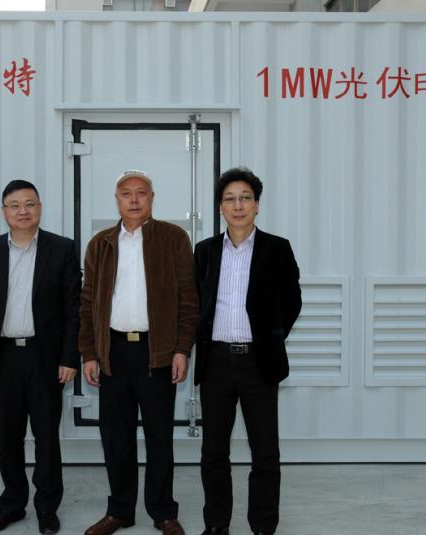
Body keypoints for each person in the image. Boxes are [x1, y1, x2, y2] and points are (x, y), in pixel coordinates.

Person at [79, 169, 198, 535]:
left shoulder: (174, 239)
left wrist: (182, 348)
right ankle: (120, 511)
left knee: (160, 436)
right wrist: (89, 353)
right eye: (126, 193)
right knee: (116, 437)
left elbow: (188, 299)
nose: (134, 199)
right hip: (113, 351)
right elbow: (87, 303)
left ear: (152, 198)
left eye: (141, 193)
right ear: (116, 199)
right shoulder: (100, 244)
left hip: (156, 352)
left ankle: (163, 512)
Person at [0, 180, 81, 534]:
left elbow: (73, 309)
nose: (23, 211)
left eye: (29, 204)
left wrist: (70, 357)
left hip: (45, 357)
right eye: (14, 205)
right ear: (4, 212)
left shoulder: (61, 249)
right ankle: (12, 505)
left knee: (46, 437)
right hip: (2, 358)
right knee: (9, 437)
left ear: (40, 208)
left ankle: (47, 508)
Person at [193, 167, 302, 535]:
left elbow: (292, 301)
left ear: (256, 204)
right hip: (216, 363)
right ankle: (216, 524)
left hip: (259, 363)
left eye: (245, 198)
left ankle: (263, 526)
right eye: (229, 199)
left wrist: (271, 338)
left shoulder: (277, 248)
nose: (237, 205)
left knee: (265, 453)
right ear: (220, 207)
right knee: (213, 453)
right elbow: (197, 302)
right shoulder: (205, 251)